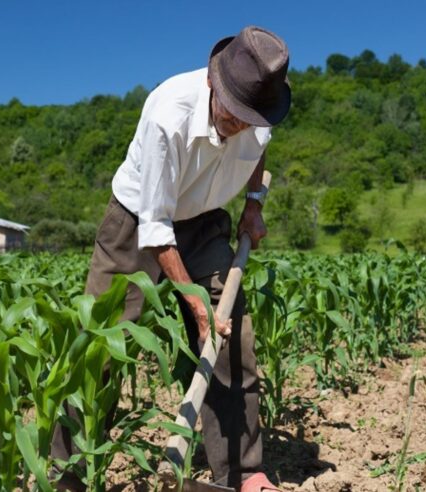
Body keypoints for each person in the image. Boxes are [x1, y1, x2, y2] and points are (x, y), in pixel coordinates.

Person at [51, 26, 289, 492]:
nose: (239, 124)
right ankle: (65, 474)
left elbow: (258, 154)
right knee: (100, 345)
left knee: (231, 341)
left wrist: (254, 205)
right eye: (232, 113)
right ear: (212, 84)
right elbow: (156, 228)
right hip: (137, 223)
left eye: (249, 118)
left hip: (206, 221)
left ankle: (241, 472)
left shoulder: (263, 109)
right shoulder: (167, 113)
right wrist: (195, 306)